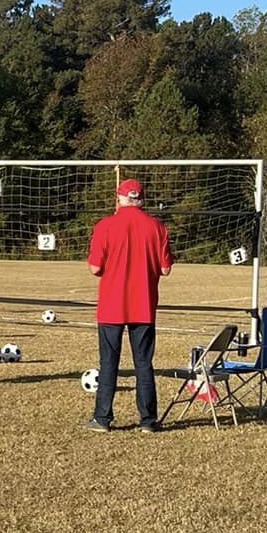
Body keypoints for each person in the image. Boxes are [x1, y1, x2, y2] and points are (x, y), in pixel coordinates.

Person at [84, 177, 174, 432]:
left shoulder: (105, 226)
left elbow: (94, 267)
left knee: (109, 362)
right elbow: (165, 269)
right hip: (144, 306)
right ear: (141, 198)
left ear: (120, 198)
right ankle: (148, 420)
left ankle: (102, 418)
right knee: (143, 363)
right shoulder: (157, 227)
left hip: (112, 306)